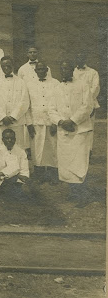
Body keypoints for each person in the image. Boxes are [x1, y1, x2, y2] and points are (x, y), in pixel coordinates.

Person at [48, 61, 94, 206]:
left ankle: (82, 195)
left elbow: (87, 106)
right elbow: (51, 109)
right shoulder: (56, 88)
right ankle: (73, 192)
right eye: (61, 68)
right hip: (63, 130)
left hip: (79, 129)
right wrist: (61, 122)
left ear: (72, 69)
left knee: (79, 161)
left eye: (67, 68)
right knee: (67, 162)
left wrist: (73, 121)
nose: (64, 71)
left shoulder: (83, 85)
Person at [25, 62, 59, 184]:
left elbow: (59, 104)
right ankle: (39, 175)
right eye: (38, 69)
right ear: (35, 71)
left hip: (51, 121)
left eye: (43, 69)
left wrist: (55, 123)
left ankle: (53, 175)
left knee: (53, 147)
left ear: (47, 70)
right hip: (36, 121)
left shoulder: (55, 83)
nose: (40, 71)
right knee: (37, 148)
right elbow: (27, 106)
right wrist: (29, 124)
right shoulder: (29, 85)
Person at [0, 56, 29, 150]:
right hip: (2, 122)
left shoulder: (21, 82)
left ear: (13, 65)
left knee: (18, 147)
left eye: (8, 65)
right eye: (3, 66)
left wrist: (13, 116)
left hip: (16, 122)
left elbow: (24, 101)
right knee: (1, 148)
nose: (6, 68)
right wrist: (2, 117)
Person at [73, 52, 101, 154]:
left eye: (82, 57)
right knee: (76, 125)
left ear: (85, 59)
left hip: (89, 103)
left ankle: (88, 150)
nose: (80, 60)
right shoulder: (73, 71)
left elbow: (95, 88)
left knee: (88, 127)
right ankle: (77, 149)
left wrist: (87, 101)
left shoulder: (93, 72)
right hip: (75, 104)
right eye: (78, 57)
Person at [1, 128, 31, 197]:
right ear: (2, 140)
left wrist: (21, 178)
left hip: (16, 180)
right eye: (7, 138)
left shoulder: (21, 152)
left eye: (12, 138)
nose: (9, 140)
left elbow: (24, 170)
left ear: (15, 139)